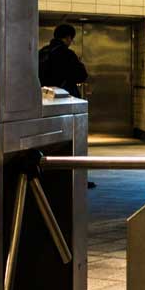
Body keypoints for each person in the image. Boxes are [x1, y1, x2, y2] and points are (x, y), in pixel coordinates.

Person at [39, 24, 95, 186]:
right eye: (71, 39)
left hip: (44, 103)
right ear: (68, 37)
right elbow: (81, 75)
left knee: (50, 143)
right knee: (74, 142)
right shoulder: (67, 54)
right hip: (66, 104)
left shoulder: (42, 53)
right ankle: (75, 179)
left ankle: (49, 175)